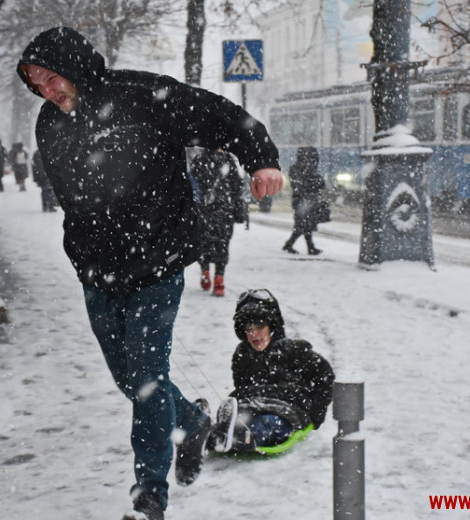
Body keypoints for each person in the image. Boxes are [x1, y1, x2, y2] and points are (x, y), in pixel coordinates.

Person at [16, 26, 283, 520]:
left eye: (52, 79)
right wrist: (87, 251)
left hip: (155, 263)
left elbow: (223, 116)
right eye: (36, 85)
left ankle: (149, 496)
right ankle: (194, 419)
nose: (47, 92)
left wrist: (261, 159)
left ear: (73, 67)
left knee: (146, 379)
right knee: (129, 379)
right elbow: (73, 199)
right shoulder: (49, 124)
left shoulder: (143, 96)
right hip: (98, 273)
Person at [207, 289, 334, 454]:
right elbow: (241, 384)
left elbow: (324, 376)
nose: (254, 334)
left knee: (269, 423)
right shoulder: (243, 354)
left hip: (286, 409)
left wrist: (316, 413)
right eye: (249, 329)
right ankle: (211, 432)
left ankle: (241, 437)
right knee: (241, 417)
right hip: (253, 404)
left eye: (260, 327)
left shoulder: (293, 350)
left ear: (272, 327)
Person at [191, 148, 246, 297]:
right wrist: (239, 211)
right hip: (224, 210)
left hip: (204, 210)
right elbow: (237, 188)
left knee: (203, 243)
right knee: (222, 244)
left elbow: (192, 185)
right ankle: (219, 279)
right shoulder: (229, 161)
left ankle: (205, 272)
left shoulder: (199, 160)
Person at [283, 146, 328, 255]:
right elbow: (299, 186)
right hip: (302, 201)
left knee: (305, 224)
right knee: (304, 225)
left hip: (308, 201)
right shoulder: (296, 169)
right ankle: (302, 246)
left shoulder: (308, 170)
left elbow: (319, 184)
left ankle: (294, 245)